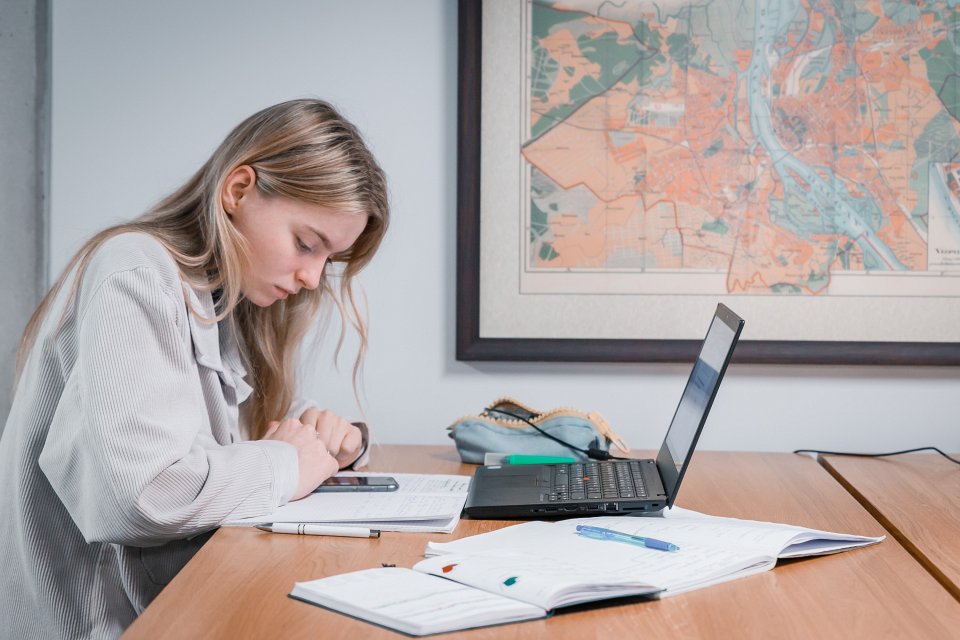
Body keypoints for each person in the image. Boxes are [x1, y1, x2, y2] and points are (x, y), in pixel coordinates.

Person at [0, 98, 389, 639]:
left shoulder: (225, 300)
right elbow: (141, 496)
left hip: (169, 610)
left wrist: (327, 439)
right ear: (238, 191)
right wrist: (286, 463)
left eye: (329, 260)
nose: (311, 277)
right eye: (306, 244)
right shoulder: (136, 272)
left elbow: (224, 425)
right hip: (97, 625)